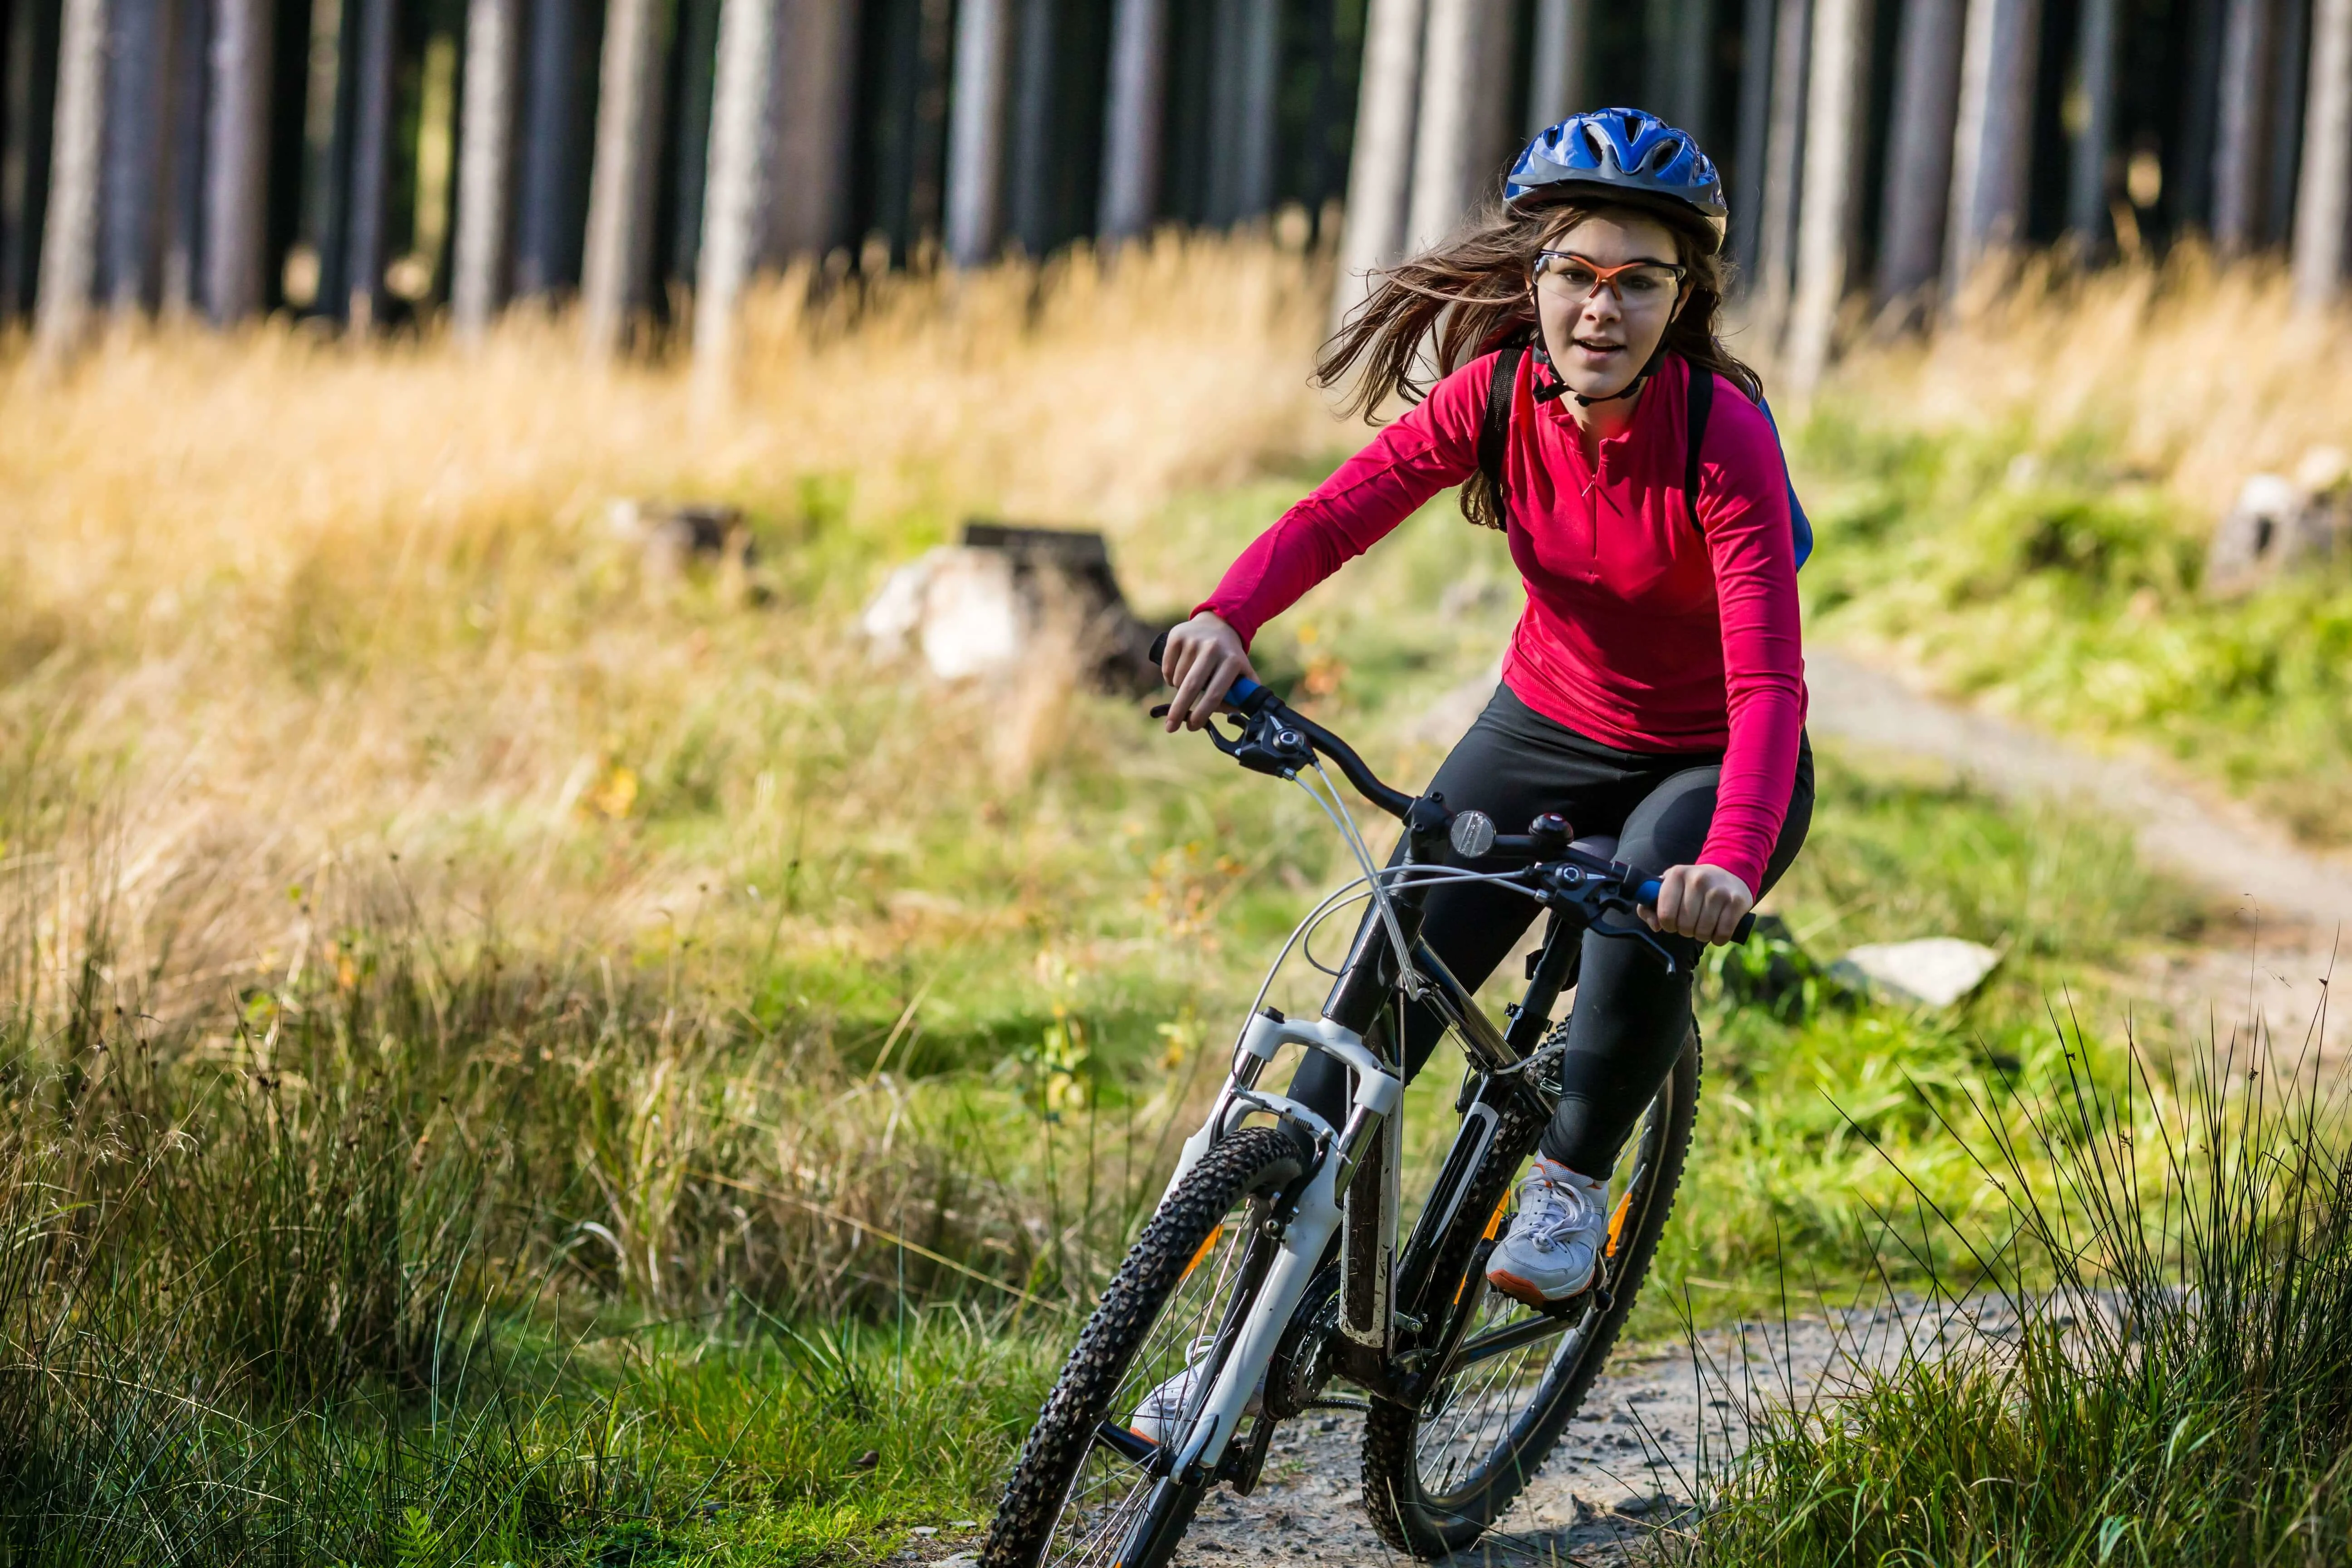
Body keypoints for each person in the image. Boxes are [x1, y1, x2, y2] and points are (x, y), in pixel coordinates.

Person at [1159, 108, 1811, 1307]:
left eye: (1637, 282)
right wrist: (1226, 615)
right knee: (1365, 1024)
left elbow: (1771, 680)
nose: (1601, 310)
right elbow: (1335, 517)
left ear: (1686, 299)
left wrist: (1729, 859)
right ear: (1536, 278)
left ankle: (1568, 1184)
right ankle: (1235, 1351)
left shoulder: (1723, 438)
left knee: (1645, 913)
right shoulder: (1496, 394)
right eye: (1575, 274)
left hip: (1708, 757)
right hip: (1546, 724)